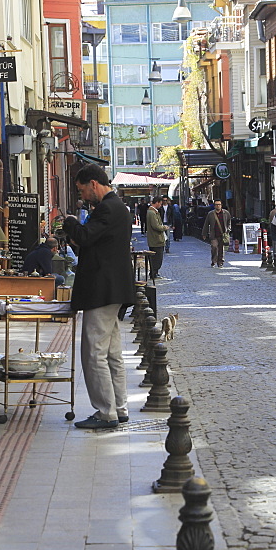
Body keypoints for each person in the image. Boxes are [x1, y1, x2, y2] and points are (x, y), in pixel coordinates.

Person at [61, 164, 136, 429]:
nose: (82, 197)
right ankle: (119, 407)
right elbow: (94, 243)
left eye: (82, 190)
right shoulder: (118, 208)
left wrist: (69, 221)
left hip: (102, 290)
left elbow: (85, 235)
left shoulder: (107, 208)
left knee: (94, 352)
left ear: (94, 184)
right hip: (111, 289)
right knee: (112, 352)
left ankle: (106, 412)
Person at [202, 199, 232, 268]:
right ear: (214, 206)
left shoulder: (226, 213)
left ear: (221, 205)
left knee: (221, 249)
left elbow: (229, 222)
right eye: (216, 205)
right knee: (214, 247)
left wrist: (228, 229)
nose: (218, 206)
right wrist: (204, 233)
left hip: (223, 234)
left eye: (219, 204)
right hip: (214, 234)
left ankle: (220, 262)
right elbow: (206, 224)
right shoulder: (211, 214)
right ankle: (214, 261)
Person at [145, 196, 168, 279]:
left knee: (157, 257)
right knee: (157, 258)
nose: (161, 205)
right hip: (156, 239)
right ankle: (154, 273)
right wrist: (164, 227)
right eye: (160, 203)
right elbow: (156, 226)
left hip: (156, 239)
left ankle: (154, 272)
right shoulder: (152, 213)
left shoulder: (153, 212)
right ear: (157, 202)